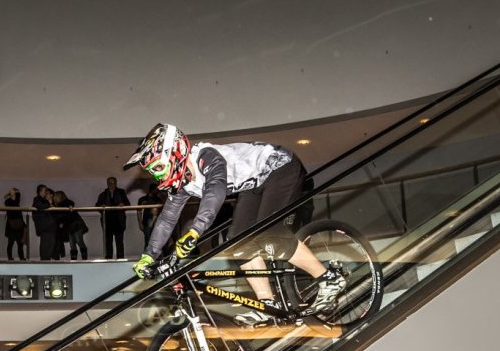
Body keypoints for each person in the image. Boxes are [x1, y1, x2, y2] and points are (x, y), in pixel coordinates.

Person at [124, 123, 347, 324]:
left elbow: (215, 192)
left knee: (269, 233)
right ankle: (268, 304)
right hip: (253, 185)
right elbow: (167, 218)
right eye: (153, 172)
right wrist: (149, 255)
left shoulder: (206, 157)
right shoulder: (182, 182)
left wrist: (194, 231)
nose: (157, 177)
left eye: (158, 168)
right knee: (238, 243)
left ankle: (329, 278)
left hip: (280, 167)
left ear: (175, 154)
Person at [96, 177, 131, 259]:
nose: (112, 185)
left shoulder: (121, 192)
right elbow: (97, 205)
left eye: (114, 183)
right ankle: (109, 258)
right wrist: (102, 206)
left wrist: (122, 204)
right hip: (107, 220)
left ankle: (120, 258)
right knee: (108, 241)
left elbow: (127, 203)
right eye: (110, 183)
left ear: (116, 183)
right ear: (107, 184)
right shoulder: (103, 194)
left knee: (119, 241)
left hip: (118, 220)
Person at [54, 190, 89, 260]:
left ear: (59, 197)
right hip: (70, 225)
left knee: (78, 241)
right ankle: (78, 258)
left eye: (55, 197)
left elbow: (70, 203)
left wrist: (62, 222)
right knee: (73, 243)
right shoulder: (60, 205)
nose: (54, 198)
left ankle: (80, 258)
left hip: (75, 225)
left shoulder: (64, 203)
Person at [32, 184, 56, 261]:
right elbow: (40, 207)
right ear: (40, 191)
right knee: (45, 246)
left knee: (50, 245)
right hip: (44, 227)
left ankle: (47, 261)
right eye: (45, 190)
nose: (46, 192)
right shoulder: (37, 200)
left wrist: (50, 202)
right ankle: (44, 262)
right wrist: (49, 203)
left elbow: (53, 210)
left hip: (50, 226)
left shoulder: (45, 201)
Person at [137, 184, 162, 250]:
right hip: (147, 221)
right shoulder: (143, 199)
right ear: (152, 190)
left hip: (157, 222)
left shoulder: (158, 199)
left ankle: (157, 257)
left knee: (157, 241)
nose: (157, 191)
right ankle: (147, 257)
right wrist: (140, 224)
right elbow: (139, 211)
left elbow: (159, 211)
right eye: (156, 189)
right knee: (148, 241)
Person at [4, 188, 26, 260]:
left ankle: (21, 258)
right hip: (11, 226)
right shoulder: (7, 202)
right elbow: (14, 202)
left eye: (14, 192)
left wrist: (14, 192)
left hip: (19, 226)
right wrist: (11, 194)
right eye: (11, 192)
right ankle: (10, 258)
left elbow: (18, 197)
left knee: (20, 244)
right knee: (10, 243)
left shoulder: (16, 202)